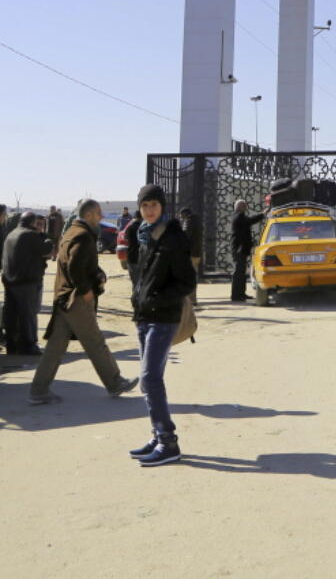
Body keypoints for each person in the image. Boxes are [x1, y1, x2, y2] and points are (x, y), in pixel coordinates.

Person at [28, 199, 139, 405]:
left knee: (56, 346)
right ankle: (115, 382)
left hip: (65, 297)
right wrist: (86, 290)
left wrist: (96, 275)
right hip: (75, 299)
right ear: (88, 215)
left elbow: (79, 264)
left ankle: (39, 390)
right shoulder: (82, 235)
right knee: (95, 341)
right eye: (98, 213)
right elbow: (75, 266)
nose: (102, 217)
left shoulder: (71, 232)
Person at [127, 184, 196, 467]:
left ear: (162, 206)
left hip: (164, 317)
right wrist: (139, 298)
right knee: (149, 381)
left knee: (150, 379)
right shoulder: (144, 235)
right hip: (145, 316)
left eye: (154, 205)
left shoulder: (174, 237)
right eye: (145, 205)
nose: (150, 210)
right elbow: (141, 277)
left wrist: (156, 298)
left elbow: (186, 283)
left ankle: (168, 441)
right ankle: (157, 435)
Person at [2, 211, 53, 354]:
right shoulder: (30, 235)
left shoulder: (12, 234)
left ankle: (11, 344)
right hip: (26, 282)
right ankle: (29, 345)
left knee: (11, 314)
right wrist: (45, 237)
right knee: (28, 315)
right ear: (32, 223)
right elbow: (47, 250)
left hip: (10, 281)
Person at [230, 200, 265, 302]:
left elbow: (248, 223)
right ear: (239, 207)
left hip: (242, 249)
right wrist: (262, 214)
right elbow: (250, 221)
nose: (246, 207)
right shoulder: (239, 217)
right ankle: (236, 295)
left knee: (241, 273)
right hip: (239, 249)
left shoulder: (241, 216)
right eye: (244, 206)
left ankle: (241, 294)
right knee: (239, 273)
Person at [178, 207, 203, 306]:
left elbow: (185, 236)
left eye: (181, 216)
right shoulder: (197, 220)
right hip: (196, 253)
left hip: (190, 254)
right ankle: (192, 300)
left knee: (189, 277)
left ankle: (191, 300)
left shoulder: (188, 221)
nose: (180, 218)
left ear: (184, 214)